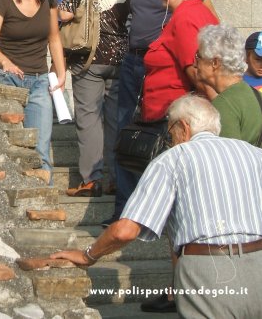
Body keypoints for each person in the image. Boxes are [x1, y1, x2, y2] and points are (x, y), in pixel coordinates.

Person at [51, 94, 262, 319]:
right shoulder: (254, 154)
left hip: (207, 269)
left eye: (169, 130)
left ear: (183, 126)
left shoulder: (173, 159)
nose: (169, 138)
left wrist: (88, 255)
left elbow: (125, 230)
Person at [105, 0, 218, 228]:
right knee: (130, 142)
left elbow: (195, 71)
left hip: (171, 108)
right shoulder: (181, 11)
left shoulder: (185, 17)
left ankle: (143, 219)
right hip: (149, 87)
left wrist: (211, 104)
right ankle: (129, 214)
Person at [0, 0, 66, 182]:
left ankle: (44, 205)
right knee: (8, 145)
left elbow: (54, 38)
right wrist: (6, 63)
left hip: (39, 80)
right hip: (6, 78)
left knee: (40, 147)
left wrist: (60, 74)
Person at [59, 0, 130, 197]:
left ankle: (92, 179)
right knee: (113, 120)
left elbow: (66, 11)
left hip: (88, 57)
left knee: (88, 118)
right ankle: (113, 178)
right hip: (119, 59)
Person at [141, 0, 219, 122]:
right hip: (179, 113)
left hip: (173, 118)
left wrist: (221, 110)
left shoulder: (185, 18)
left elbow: (199, 75)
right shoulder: (202, 13)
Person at [195, 23, 262, 144]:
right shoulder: (255, 94)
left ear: (215, 62)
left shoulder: (224, 105)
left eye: (198, 56)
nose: (195, 64)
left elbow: (228, 159)